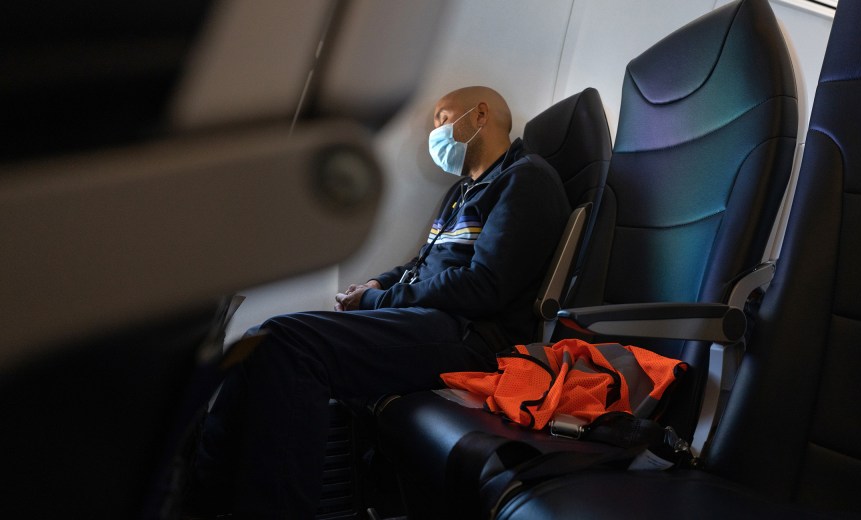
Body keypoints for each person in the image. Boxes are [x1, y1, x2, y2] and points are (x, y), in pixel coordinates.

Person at [184, 86, 571, 518]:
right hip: (429, 321)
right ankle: (202, 498)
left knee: (288, 343)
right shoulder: (462, 192)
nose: (437, 131)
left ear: (480, 116)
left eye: (443, 119)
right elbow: (421, 264)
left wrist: (378, 299)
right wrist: (374, 283)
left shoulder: (525, 178)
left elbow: (484, 286)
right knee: (258, 344)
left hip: (471, 336)